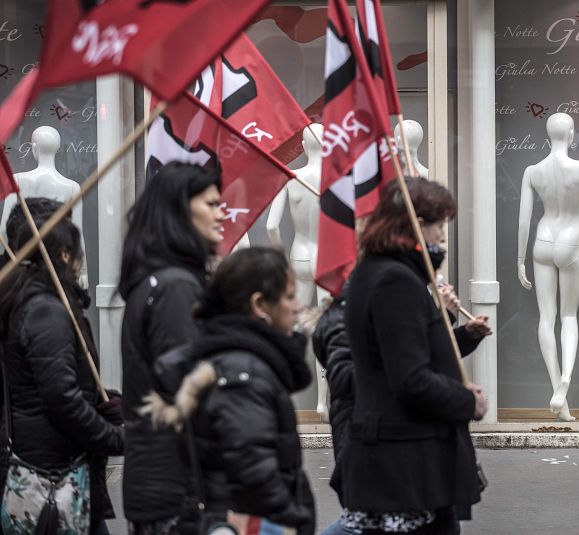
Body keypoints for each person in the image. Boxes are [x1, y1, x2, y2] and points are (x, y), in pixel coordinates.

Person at [336, 177, 488, 535]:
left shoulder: (377, 272)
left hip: (398, 461)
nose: (444, 235)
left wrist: (463, 336)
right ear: (418, 226)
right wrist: (467, 400)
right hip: (405, 464)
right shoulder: (395, 280)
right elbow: (410, 379)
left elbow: (415, 352)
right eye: (441, 224)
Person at [141, 247, 315, 535]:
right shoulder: (242, 374)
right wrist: (291, 521)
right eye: (288, 296)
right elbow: (255, 472)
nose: (298, 306)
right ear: (260, 305)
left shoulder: (239, 362)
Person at [0, 199, 124, 535]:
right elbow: (60, 398)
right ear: (64, 254)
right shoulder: (45, 310)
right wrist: (113, 437)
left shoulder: (39, 302)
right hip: (53, 475)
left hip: (56, 468)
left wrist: (104, 401)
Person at [117, 162, 224, 534]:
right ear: (180, 211)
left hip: (162, 481)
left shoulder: (157, 280)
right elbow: (192, 390)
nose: (221, 213)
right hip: (178, 484)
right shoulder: (175, 288)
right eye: (210, 204)